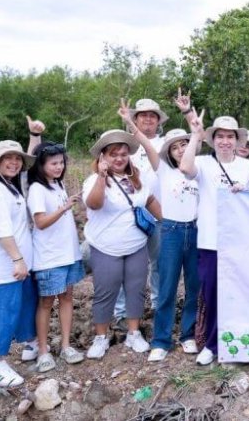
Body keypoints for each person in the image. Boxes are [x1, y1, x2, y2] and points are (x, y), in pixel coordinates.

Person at [179, 112, 249, 366]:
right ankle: (212, 345)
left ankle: (236, 342)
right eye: (220, 136)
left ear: (238, 141)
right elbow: (184, 167)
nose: (225, 141)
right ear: (213, 140)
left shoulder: (248, 167)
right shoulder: (203, 163)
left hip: (240, 241)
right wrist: (195, 135)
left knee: (238, 292)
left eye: (230, 137)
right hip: (211, 240)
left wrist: (244, 192)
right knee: (211, 292)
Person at [83, 130, 162, 360]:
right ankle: (100, 337)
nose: (119, 158)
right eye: (113, 154)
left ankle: (134, 333)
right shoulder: (93, 181)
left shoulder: (136, 180)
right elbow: (95, 204)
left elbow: (149, 200)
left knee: (135, 290)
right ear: (103, 157)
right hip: (106, 246)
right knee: (105, 292)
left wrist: (168, 220)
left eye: (123, 154)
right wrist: (101, 176)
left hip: (136, 245)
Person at [128, 123, 202, 362]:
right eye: (175, 147)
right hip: (170, 230)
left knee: (193, 286)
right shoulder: (163, 170)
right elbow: (148, 145)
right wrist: (131, 124)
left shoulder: (198, 170)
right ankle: (161, 340)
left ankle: (188, 335)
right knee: (167, 286)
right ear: (168, 152)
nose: (180, 150)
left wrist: (195, 127)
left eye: (184, 144)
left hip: (195, 230)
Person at [0, 140, 37, 387]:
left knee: (23, 305)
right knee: (2, 310)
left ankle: (31, 344)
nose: (13, 162)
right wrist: (18, 259)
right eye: (7, 158)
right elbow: (1, 231)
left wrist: (34, 137)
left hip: (17, 264)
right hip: (4, 265)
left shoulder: (9, 186)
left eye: (17, 158)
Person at [27, 142, 85, 372]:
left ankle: (66, 346)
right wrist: (64, 208)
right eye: (53, 163)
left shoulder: (57, 185)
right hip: (49, 257)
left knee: (67, 297)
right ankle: (42, 351)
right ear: (41, 165)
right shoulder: (36, 189)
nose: (59, 167)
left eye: (61, 162)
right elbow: (40, 222)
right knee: (46, 302)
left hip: (67, 253)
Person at [126, 98, 169, 313]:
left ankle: (157, 303)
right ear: (135, 119)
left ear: (158, 120)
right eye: (143, 115)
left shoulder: (166, 143)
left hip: (159, 212)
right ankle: (127, 310)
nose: (148, 118)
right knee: (130, 265)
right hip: (129, 214)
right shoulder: (125, 144)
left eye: (153, 115)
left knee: (159, 263)